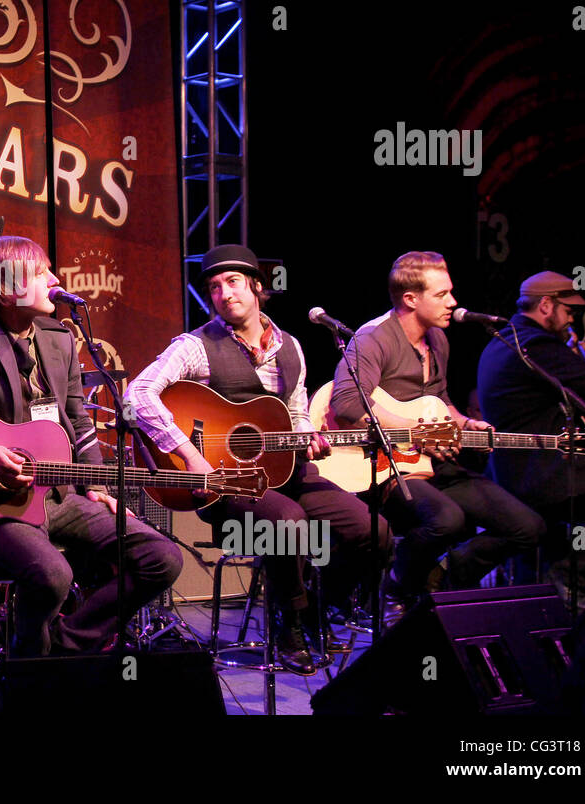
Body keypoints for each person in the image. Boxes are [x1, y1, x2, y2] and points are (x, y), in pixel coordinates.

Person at [0, 235, 182, 657]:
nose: (55, 280)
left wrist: (99, 487)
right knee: (52, 575)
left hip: (59, 493)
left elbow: (78, 420)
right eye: (41, 273)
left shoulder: (59, 339)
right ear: (5, 291)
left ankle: (61, 649)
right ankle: (28, 670)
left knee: (162, 558)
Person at [126, 245, 390, 675]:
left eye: (232, 282)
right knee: (288, 522)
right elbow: (136, 396)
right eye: (213, 287)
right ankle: (290, 621)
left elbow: (297, 411)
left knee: (374, 531)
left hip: (285, 470)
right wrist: (193, 459)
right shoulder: (195, 346)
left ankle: (322, 611)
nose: (223, 293)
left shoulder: (291, 348)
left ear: (256, 287)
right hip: (226, 483)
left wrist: (306, 437)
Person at [330, 251, 545, 609]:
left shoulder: (437, 340)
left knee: (528, 527)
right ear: (411, 299)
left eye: (451, 293)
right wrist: (417, 431)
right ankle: (395, 584)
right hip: (390, 468)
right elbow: (349, 405)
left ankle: (442, 578)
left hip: (437, 463)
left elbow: (439, 400)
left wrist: (464, 423)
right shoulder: (373, 338)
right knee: (446, 520)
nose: (453, 302)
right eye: (442, 294)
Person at [476, 270, 585, 604]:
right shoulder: (536, 344)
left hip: (518, 470)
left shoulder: (506, 339)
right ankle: (572, 573)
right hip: (540, 471)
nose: (571, 320)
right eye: (568, 310)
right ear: (546, 305)